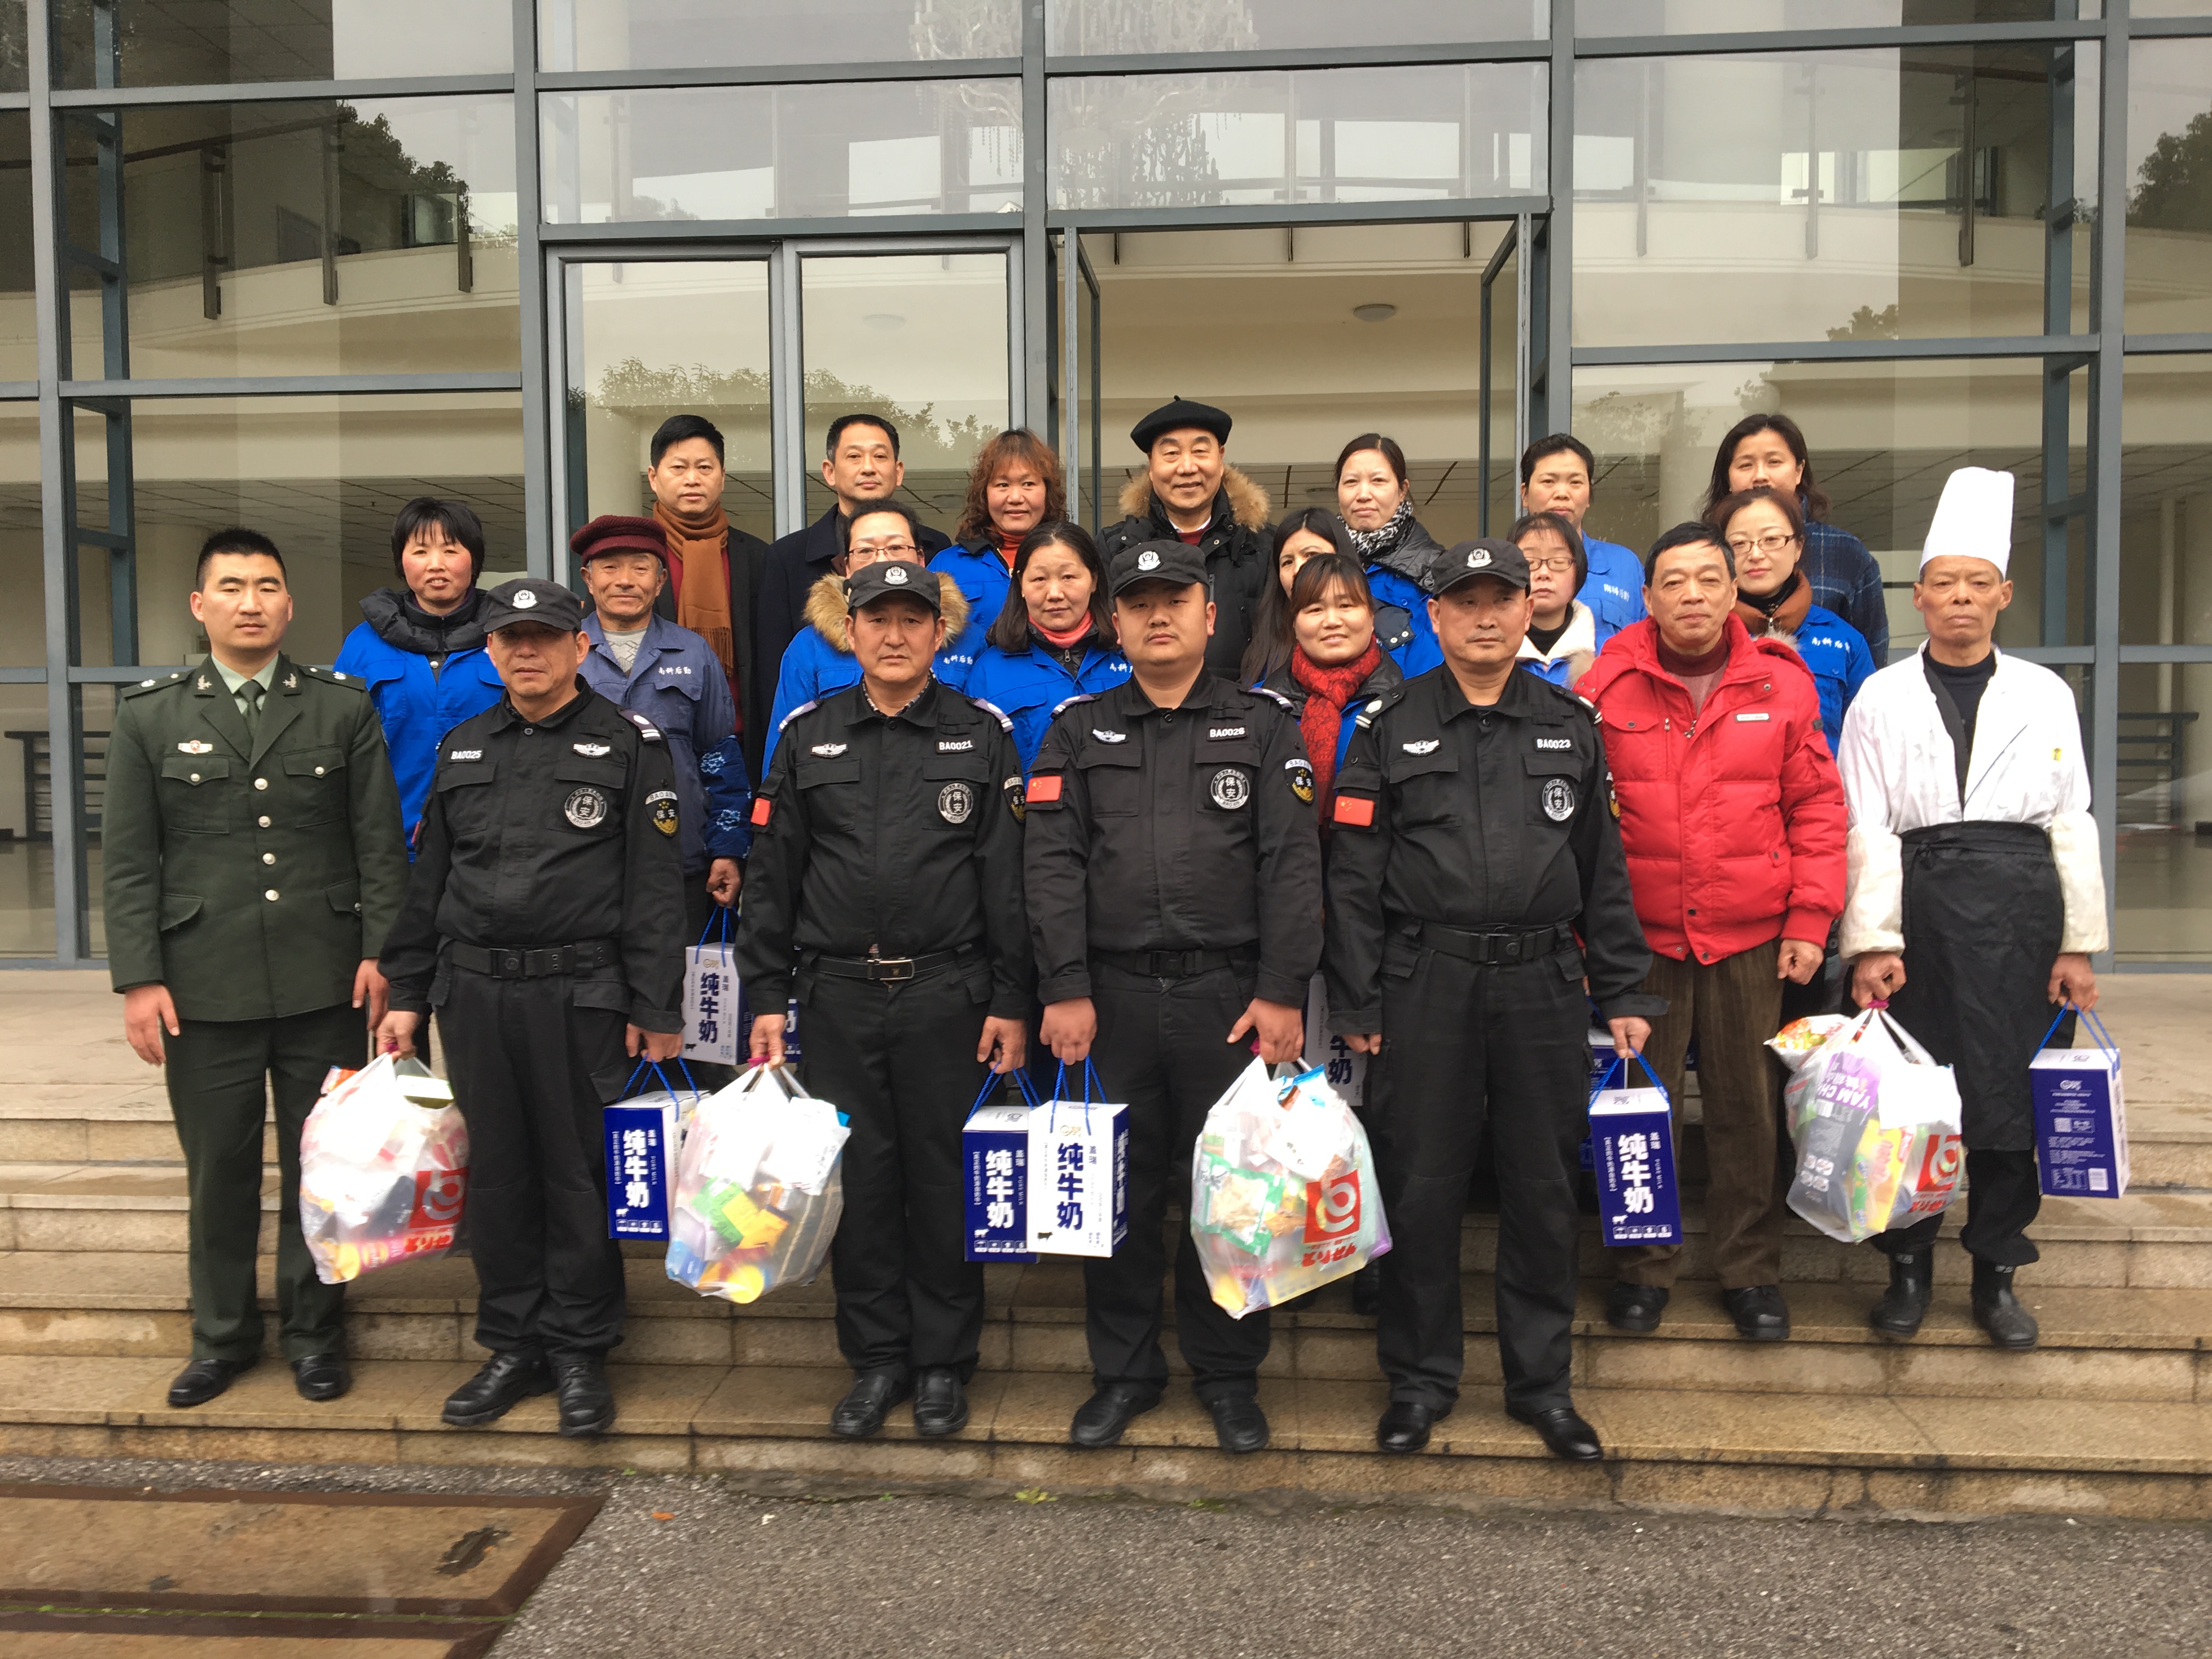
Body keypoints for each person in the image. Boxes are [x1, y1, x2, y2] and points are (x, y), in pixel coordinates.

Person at [1324, 537, 1661, 1461]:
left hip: (1541, 983)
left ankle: (1541, 1385)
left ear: (1527, 609)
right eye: (1464, 602)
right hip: (1423, 982)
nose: (1484, 617)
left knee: (1542, 1189)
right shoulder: (1388, 724)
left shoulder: (1569, 723)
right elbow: (1353, 878)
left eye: (1500, 600)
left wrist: (1623, 986)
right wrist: (1358, 999)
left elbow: (1603, 867)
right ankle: (1418, 1382)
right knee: (1420, 1187)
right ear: (1434, 617)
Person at [1024, 540, 1323, 1455]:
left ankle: (1228, 1375)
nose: (1158, 616)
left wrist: (1282, 991)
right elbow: (1050, 865)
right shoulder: (1077, 731)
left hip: (1228, 1000)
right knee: (1115, 1191)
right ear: (1113, 623)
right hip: (1109, 1001)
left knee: (1235, 1193)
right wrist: (1064, 987)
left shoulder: (1264, 726)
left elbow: (1291, 864)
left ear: (1210, 615)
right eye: (1139, 603)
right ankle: (1123, 1374)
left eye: (1176, 600)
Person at [104, 527, 409, 1409]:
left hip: (325, 980)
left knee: (324, 1167)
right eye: (232, 587)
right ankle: (222, 1338)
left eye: (267, 586)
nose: (251, 603)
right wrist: (139, 978)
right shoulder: (150, 715)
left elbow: (378, 844)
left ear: (289, 604)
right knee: (219, 1174)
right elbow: (130, 861)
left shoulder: (341, 708)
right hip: (203, 986)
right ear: (200, 605)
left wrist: (380, 952)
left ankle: (316, 1335)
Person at [376, 578, 686, 1440]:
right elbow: (431, 881)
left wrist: (658, 1005)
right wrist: (406, 994)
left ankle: (581, 1349)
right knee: (500, 1175)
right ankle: (513, 1344)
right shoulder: (464, 747)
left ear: (579, 646)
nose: (526, 652)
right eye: (510, 639)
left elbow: (654, 888)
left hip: (580, 994)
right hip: (473, 995)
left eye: (544, 637)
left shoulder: (629, 744)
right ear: (489, 651)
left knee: (576, 1175)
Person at [736, 560, 1032, 1441]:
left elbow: (1007, 881)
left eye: (912, 620)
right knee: (859, 1183)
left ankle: (941, 1363)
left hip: (948, 993)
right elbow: (772, 876)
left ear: (939, 634)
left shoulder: (981, 735)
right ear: (851, 631)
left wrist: (1011, 998)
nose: (895, 636)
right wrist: (765, 995)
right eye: (878, 620)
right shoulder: (808, 736)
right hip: (837, 996)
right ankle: (875, 1361)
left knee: (941, 1182)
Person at [1837, 466, 2106, 1352]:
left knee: (2008, 1099)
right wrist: (1872, 941)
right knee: (1911, 1100)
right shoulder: (1880, 695)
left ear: (2003, 594)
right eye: (1943, 583)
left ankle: (1996, 1270)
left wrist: (2077, 945)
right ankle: (1907, 1267)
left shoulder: (2046, 693)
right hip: (1919, 913)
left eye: (1976, 582)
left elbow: (2072, 819)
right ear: (1917, 597)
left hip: (2024, 916)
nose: (1960, 597)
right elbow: (1865, 822)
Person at [1576, 523, 1847, 1342]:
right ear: (1647, 598)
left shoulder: (1782, 683)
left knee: (1747, 1112)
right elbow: (1580, 828)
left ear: (1733, 592)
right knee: (1637, 1115)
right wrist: (1589, 942)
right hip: (1641, 944)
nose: (1691, 595)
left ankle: (1751, 1272)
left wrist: (1810, 918)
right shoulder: (1606, 686)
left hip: (1750, 939)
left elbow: (1817, 808)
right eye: (1673, 582)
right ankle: (1641, 1271)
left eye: (1707, 579)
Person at [573, 514, 754, 958]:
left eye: (640, 567)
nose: (625, 580)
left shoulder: (693, 651)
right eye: (610, 567)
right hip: (582, 862)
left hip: (681, 860)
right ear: (588, 579)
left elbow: (721, 759)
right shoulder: (566, 652)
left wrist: (727, 849)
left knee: (678, 989)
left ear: (660, 581)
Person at [335, 498, 507, 848]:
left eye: (450, 550)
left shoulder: (509, 636)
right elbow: (337, 744)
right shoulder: (364, 644)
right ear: (401, 560)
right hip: (391, 842)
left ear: (474, 559)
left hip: (494, 841)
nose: (436, 564)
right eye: (420, 551)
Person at [763, 504, 973, 768]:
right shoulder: (809, 647)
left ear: (921, 559)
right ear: (847, 566)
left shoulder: (968, 640)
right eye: (865, 551)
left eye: (896, 547)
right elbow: (782, 759)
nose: (882, 560)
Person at [757, 414, 951, 681]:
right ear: (830, 472)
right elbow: (773, 666)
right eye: (854, 457)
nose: (868, 468)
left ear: (898, 472)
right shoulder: (787, 557)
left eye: (880, 456)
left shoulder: (935, 547)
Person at [637, 414, 776, 781]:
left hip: (741, 742)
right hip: (650, 743)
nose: (692, 479)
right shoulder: (634, 558)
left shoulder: (757, 557)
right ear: (653, 477)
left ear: (722, 476)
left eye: (704, 467)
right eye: (678, 467)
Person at [1098, 398, 1272, 682]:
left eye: (1200, 451)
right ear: (1151, 465)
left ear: (1221, 459)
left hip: (1246, 705)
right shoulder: (1116, 547)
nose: (1187, 467)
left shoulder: (1265, 546)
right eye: (1171, 454)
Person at [1703, 412, 1889, 666]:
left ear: (1799, 470)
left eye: (1774, 462)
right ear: (1728, 477)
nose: (1760, 476)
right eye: (1746, 465)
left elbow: (1873, 661)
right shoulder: (1702, 551)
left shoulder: (1846, 553)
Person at [1707, 487, 1875, 753]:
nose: (1756, 554)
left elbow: (1869, 744)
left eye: (1772, 539)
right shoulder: (1706, 637)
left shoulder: (1844, 640)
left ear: (1798, 547)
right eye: (1739, 544)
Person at [961, 521, 1131, 773]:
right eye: (1039, 579)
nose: (1054, 593)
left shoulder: (1129, 658)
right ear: (1021, 584)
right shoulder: (989, 672)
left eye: (1068, 577)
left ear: (1094, 580)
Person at [1255, 553, 1403, 826]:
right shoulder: (1260, 706)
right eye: (1315, 609)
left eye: (1346, 605)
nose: (1332, 620)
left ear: (1372, 616)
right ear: (1294, 623)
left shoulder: (1405, 703)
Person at [932, 428, 1068, 668]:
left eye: (1028, 484)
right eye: (1003, 484)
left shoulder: (1075, 561)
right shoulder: (947, 566)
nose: (1015, 497)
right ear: (984, 494)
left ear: (1047, 491)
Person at [1242, 509, 1411, 686]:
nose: (1298, 570)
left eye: (1311, 555)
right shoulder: (1263, 640)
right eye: (1287, 562)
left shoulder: (1400, 633)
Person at [1519, 435, 1649, 639]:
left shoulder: (1625, 566)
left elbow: (1650, 642)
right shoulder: (1503, 565)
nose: (1562, 493)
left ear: (1589, 496)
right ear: (1525, 494)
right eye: (1549, 481)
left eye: (1575, 482)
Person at [1335, 433, 1444, 674]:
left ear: (1402, 490)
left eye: (1378, 481)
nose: (1363, 495)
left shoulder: (1436, 568)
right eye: (1351, 482)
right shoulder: (1317, 560)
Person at [1510, 511, 1606, 687]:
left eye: (1559, 561)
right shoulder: (1487, 649)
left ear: (1579, 571)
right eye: (1529, 562)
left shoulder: (1608, 652)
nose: (1543, 573)